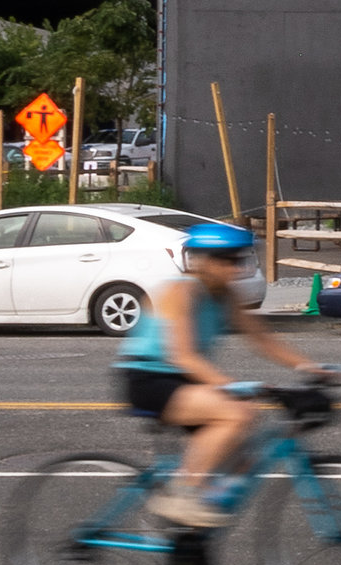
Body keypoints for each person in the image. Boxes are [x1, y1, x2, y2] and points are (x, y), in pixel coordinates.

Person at [112, 221, 328, 529]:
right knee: (235, 415)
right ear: (201, 260)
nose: (235, 268)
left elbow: (262, 339)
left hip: (184, 380)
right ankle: (180, 495)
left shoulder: (225, 295)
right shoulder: (181, 291)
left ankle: (192, 550)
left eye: (239, 259)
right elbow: (183, 355)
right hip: (149, 377)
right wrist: (231, 386)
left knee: (239, 455)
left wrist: (309, 367)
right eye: (226, 260)